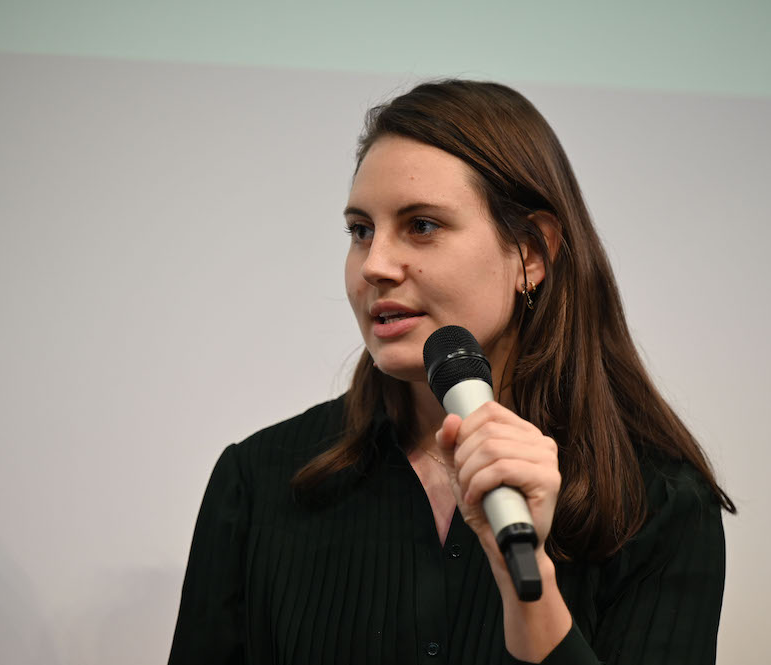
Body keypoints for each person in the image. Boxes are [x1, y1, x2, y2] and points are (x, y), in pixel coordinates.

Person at [169, 79, 735, 665]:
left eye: (422, 226)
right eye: (361, 231)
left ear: (531, 252)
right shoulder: (258, 481)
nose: (375, 265)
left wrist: (530, 593)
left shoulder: (660, 505)